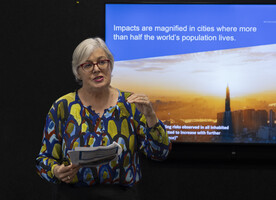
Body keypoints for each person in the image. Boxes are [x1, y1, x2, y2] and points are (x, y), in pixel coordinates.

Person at [35, 37, 170, 199]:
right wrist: (55, 171)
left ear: (111, 65)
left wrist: (150, 116)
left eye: (102, 62)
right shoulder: (62, 107)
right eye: (88, 65)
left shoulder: (131, 104)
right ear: (78, 72)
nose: (97, 69)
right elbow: (43, 160)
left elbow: (159, 153)